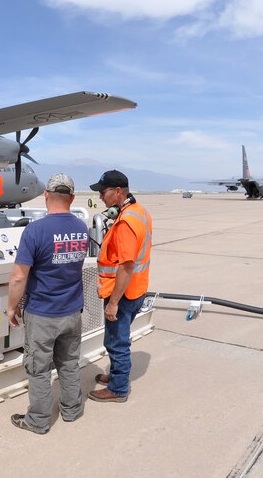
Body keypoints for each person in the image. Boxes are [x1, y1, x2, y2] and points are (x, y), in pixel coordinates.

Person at [7, 173, 89, 434]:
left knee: (39, 369)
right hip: (72, 311)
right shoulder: (81, 228)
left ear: (45, 195)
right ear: (72, 198)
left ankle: (39, 420)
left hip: (43, 313)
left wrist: (12, 307)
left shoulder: (35, 231)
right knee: (68, 362)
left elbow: (19, 277)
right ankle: (72, 410)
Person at [88, 170, 152, 403]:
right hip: (137, 289)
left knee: (116, 342)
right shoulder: (139, 212)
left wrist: (113, 303)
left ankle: (118, 388)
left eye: (103, 192)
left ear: (118, 192)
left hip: (123, 294)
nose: (101, 197)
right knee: (118, 339)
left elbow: (125, 267)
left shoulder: (125, 223)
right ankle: (116, 375)